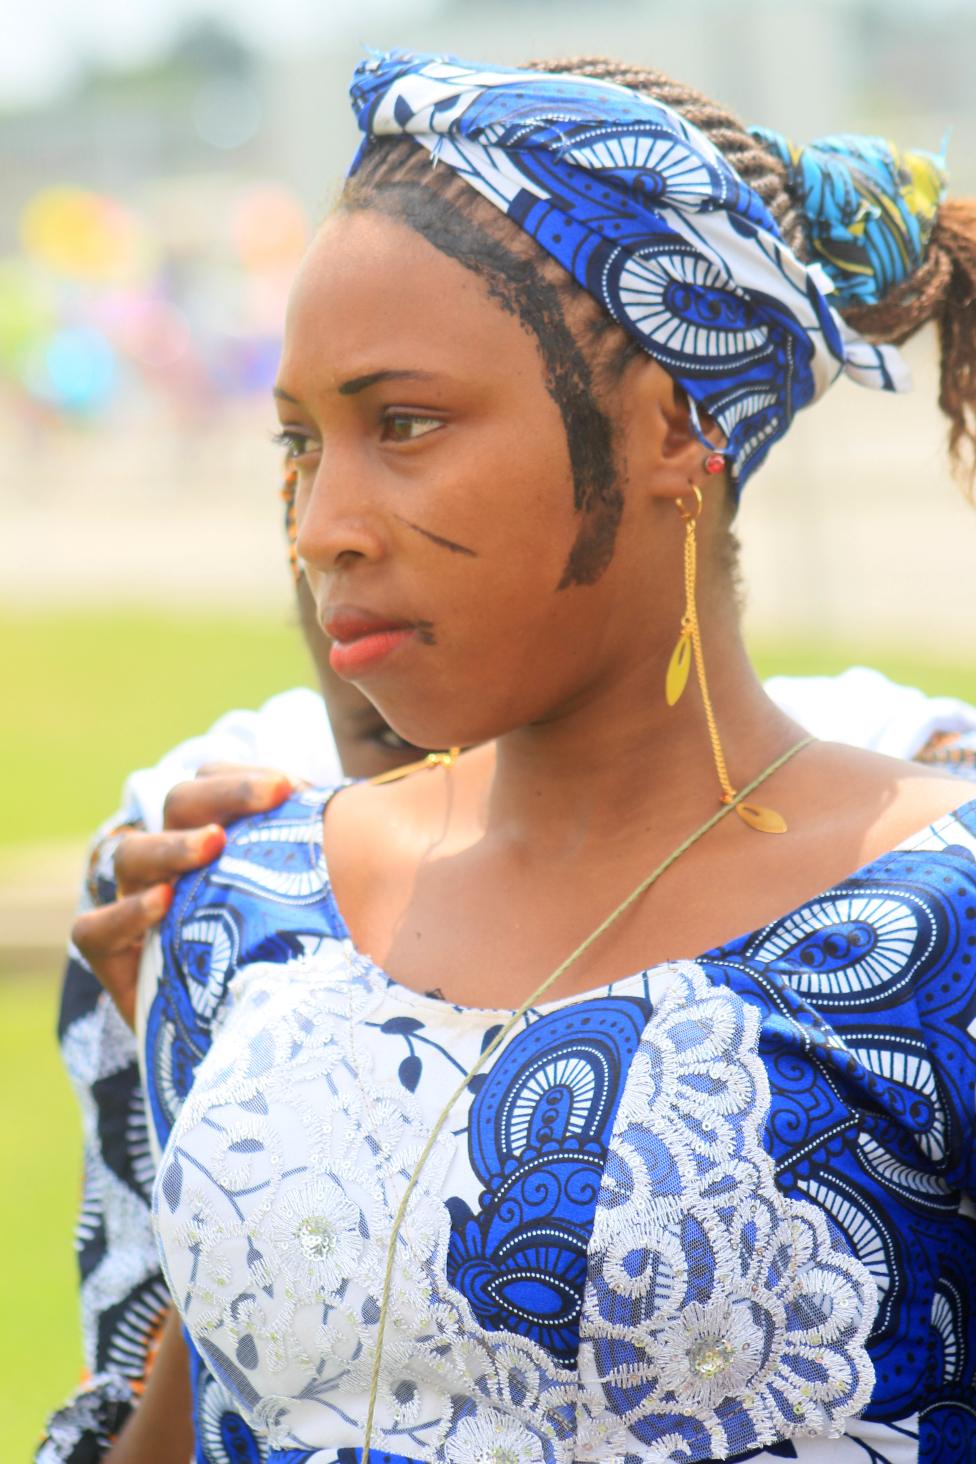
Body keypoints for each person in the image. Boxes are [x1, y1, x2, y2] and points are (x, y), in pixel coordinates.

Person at [50, 47, 976, 1464]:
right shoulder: (239, 909)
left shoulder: (937, 936)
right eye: (301, 442)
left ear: (671, 424)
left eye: (405, 424)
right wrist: (214, 1114)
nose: (321, 527)